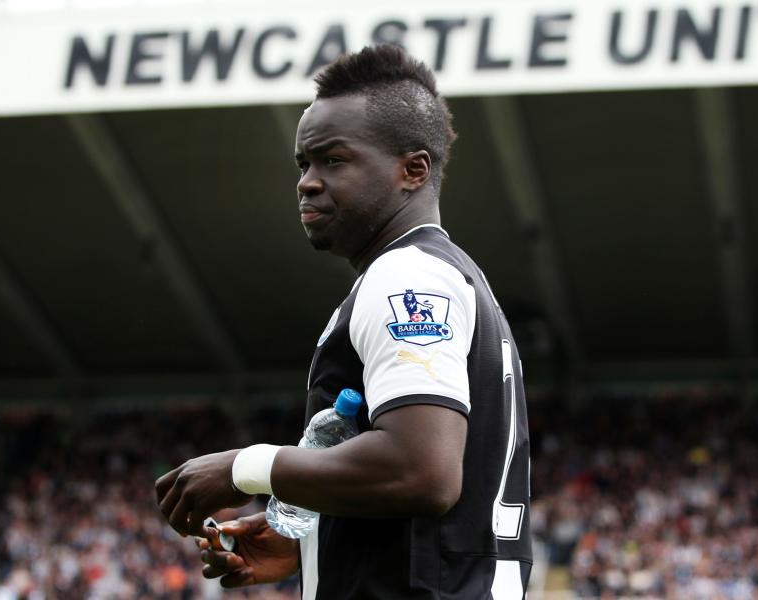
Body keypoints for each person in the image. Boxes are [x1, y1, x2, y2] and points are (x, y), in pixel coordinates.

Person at [155, 44, 532, 599]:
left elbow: (421, 471)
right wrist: (311, 538)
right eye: (304, 163)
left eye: (333, 160)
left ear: (412, 169)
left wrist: (245, 467)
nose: (307, 181)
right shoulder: (445, 276)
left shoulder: (408, 277)